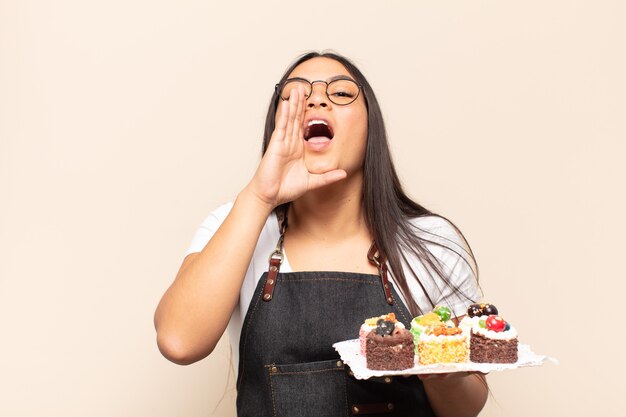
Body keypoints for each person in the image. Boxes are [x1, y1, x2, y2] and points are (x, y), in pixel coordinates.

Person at [154, 51, 488, 417]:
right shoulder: (238, 224)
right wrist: (260, 196)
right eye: (295, 95)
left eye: (341, 94)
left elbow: (465, 408)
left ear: (370, 127)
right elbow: (179, 341)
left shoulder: (430, 241)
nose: (316, 99)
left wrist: (445, 375)